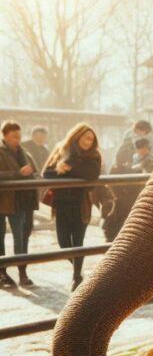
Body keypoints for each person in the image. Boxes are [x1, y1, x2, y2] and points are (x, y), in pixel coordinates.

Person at [43, 123, 108, 291]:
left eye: (92, 139)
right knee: (63, 243)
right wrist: (59, 171)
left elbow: (92, 174)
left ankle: (77, 276)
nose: (89, 141)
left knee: (78, 241)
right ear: (77, 136)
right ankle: (80, 270)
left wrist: (68, 169)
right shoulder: (61, 149)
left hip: (81, 203)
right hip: (62, 203)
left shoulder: (94, 155)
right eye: (86, 137)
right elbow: (46, 174)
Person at [0, 121, 39, 287]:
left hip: (21, 201)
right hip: (3, 200)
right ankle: (2, 273)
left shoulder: (25, 152)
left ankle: (22, 272)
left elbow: (36, 172)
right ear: (4, 136)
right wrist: (17, 173)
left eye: (19, 136)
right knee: (0, 237)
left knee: (21, 237)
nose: (18, 139)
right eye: (14, 136)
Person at [20, 126, 48, 248]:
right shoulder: (23, 147)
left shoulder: (44, 150)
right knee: (21, 224)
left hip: (34, 189)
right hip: (23, 187)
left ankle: (22, 254)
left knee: (27, 225)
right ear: (33, 135)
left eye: (43, 137)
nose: (41, 139)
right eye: (39, 136)